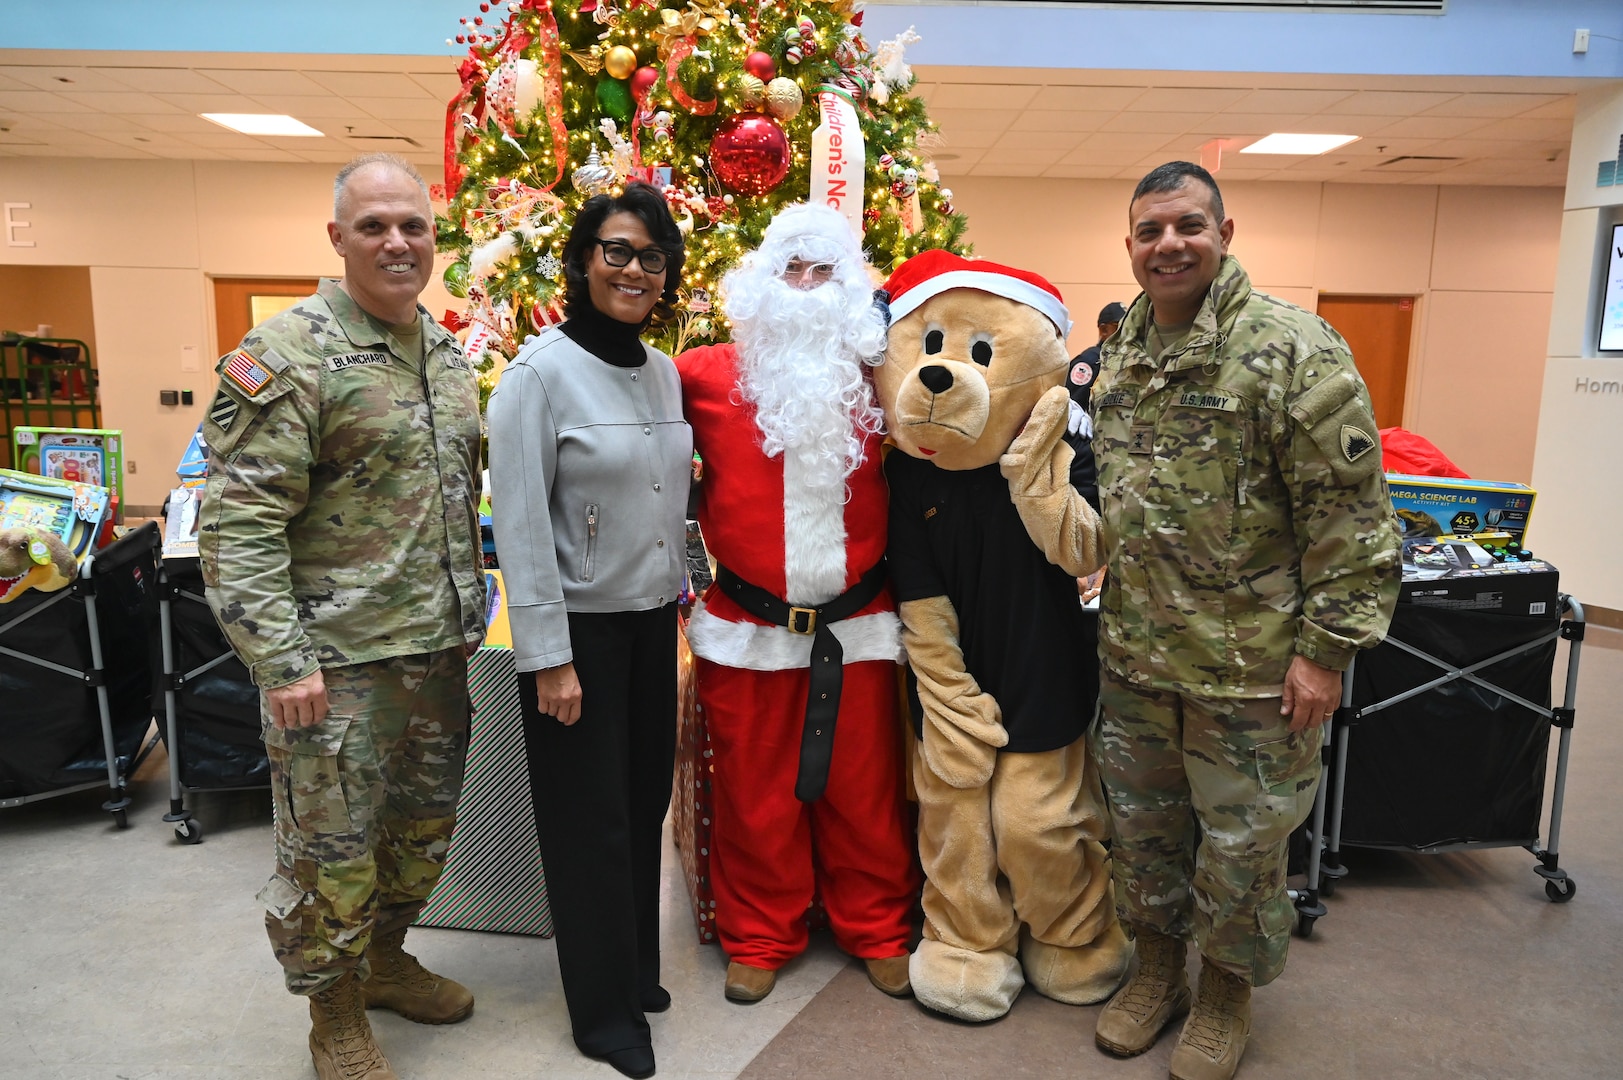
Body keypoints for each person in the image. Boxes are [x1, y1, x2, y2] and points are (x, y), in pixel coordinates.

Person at [1088, 161, 1401, 1080]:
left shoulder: (1292, 348)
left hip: (1255, 673)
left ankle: (1225, 992)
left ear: (1225, 231)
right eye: (1149, 231)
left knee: (1242, 850)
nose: (1167, 245)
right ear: (1131, 246)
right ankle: (1157, 972)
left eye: (1187, 225)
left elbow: (1351, 518)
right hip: (1139, 657)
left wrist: (1326, 654)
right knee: (1142, 835)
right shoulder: (1121, 356)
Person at [199, 153, 486, 1080]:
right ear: (338, 239)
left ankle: (388, 961)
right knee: (331, 855)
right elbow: (236, 528)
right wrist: (282, 663)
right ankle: (335, 1012)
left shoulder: (444, 354)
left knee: (420, 833)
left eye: (413, 225)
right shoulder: (289, 356)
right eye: (374, 227)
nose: (397, 242)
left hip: (437, 654)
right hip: (336, 668)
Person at [674, 203, 918, 1005]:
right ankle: (759, 933)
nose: (808, 287)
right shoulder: (701, 375)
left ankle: (876, 925)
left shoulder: (886, 379)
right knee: (753, 796)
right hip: (746, 630)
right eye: (792, 270)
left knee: (865, 792)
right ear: (759, 283)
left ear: (852, 287)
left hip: (860, 625)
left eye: (825, 272)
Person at [485, 183, 691, 1080]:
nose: (633, 270)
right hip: (578, 639)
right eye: (615, 250)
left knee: (643, 806)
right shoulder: (536, 377)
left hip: (651, 628)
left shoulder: (661, 369)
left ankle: (633, 970)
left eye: (650, 256)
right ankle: (602, 1014)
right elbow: (523, 528)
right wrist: (548, 660)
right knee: (588, 825)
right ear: (580, 261)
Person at [1066, 300, 1125, 412]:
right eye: (1119, 327)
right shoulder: (1091, 361)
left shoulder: (1123, 361)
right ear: (1104, 330)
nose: (1126, 333)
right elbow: (1072, 407)